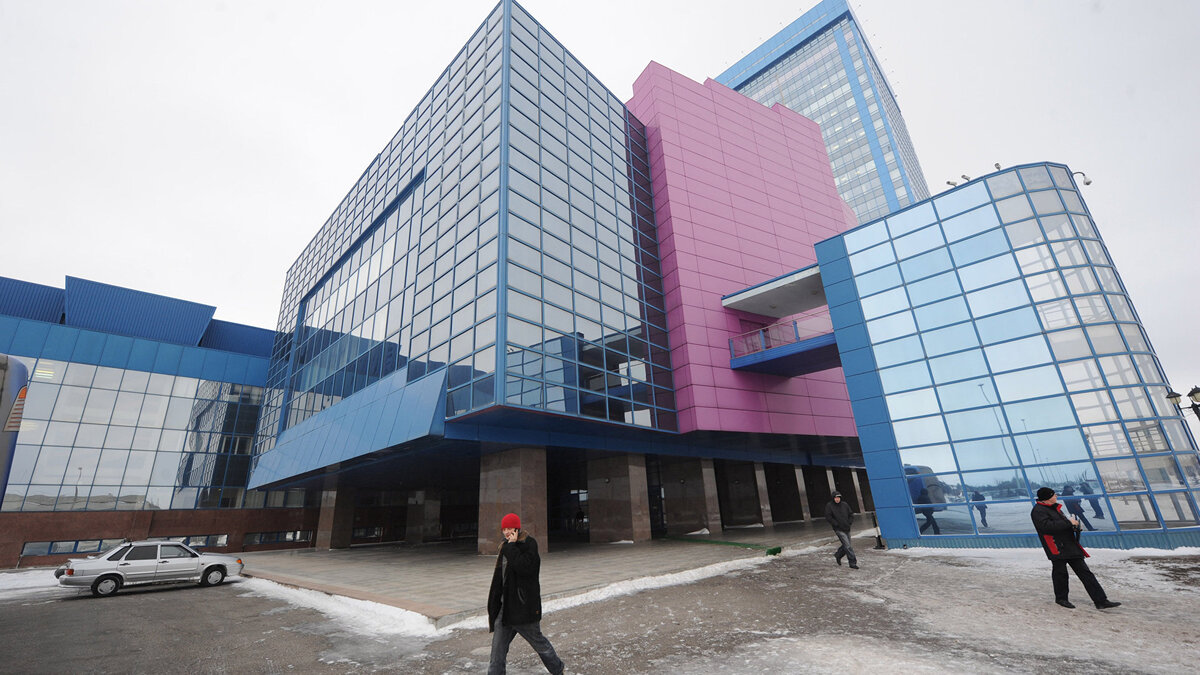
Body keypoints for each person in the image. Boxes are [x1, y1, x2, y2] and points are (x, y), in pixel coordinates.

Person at [487, 513, 564, 675]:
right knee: (497, 650)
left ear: (517, 529)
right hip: (505, 609)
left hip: (523, 608)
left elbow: (525, 569)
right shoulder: (505, 546)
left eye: (510, 529)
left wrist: (511, 547)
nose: (507, 532)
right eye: (504, 529)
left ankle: (558, 669)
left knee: (539, 643)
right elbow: (500, 578)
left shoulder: (529, 544)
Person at [1031, 487, 1121, 610]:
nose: (1056, 496)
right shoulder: (1038, 511)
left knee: (1085, 573)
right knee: (1061, 574)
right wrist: (1069, 523)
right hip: (1056, 546)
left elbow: (1062, 524)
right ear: (1047, 497)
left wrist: (1073, 526)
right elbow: (1046, 527)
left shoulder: (1054, 508)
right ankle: (1061, 599)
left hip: (1069, 544)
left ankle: (1101, 601)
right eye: (1053, 494)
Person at [823, 491, 858, 569]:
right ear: (833, 498)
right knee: (848, 546)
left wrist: (849, 522)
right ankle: (852, 562)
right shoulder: (829, 506)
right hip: (838, 529)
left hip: (847, 528)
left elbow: (851, 514)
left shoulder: (845, 505)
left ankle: (838, 555)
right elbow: (828, 517)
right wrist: (836, 524)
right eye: (835, 498)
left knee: (847, 545)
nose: (837, 499)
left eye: (838, 498)